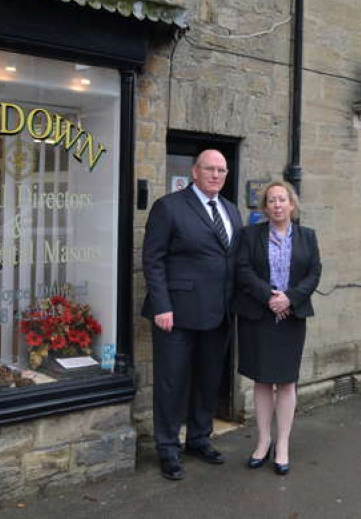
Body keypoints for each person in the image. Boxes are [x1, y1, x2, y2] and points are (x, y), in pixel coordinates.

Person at [141, 149, 243, 481]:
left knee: (208, 379)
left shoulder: (230, 210)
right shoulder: (169, 207)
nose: (216, 175)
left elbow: (234, 261)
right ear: (195, 172)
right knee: (172, 383)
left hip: (219, 313)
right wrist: (162, 306)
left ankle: (199, 438)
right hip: (177, 314)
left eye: (222, 170)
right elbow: (152, 260)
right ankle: (168, 447)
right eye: (210, 169)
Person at [235, 181, 322, 475]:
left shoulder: (308, 237)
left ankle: (282, 444)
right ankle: (263, 441)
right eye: (271, 201)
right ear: (265, 207)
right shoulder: (250, 235)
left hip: (292, 317)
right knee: (261, 381)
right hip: (260, 316)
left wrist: (290, 298)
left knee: (286, 382)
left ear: (292, 204)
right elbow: (243, 270)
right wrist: (269, 297)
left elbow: (314, 273)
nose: (277, 205)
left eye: (282, 200)